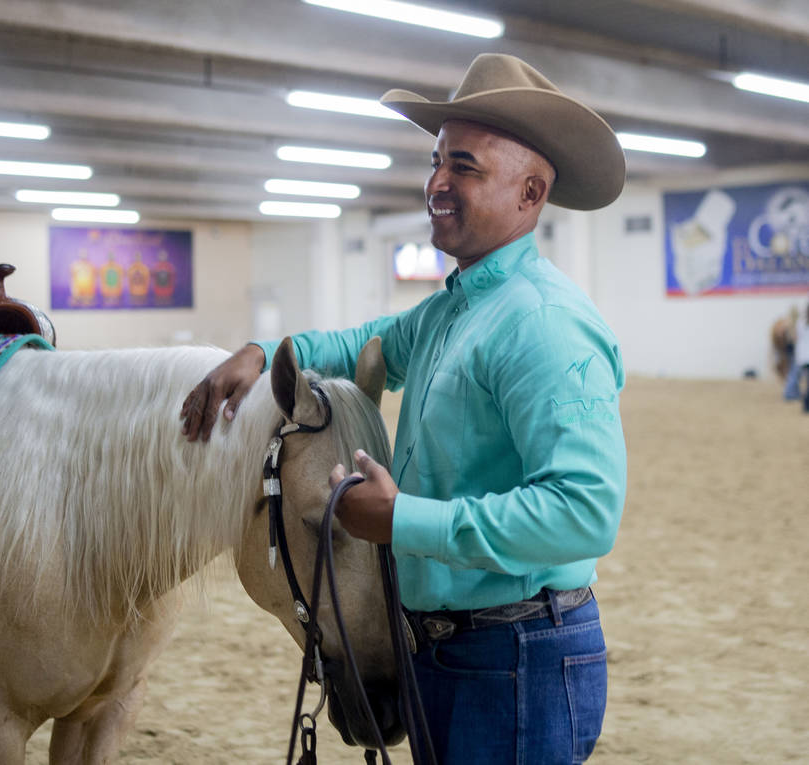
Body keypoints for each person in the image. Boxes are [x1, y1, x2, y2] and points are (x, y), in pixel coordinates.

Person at [180, 53, 627, 764]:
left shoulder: (543, 323)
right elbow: (361, 342)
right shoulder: (456, 308)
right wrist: (263, 352)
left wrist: (398, 520)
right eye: (437, 161)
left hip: (517, 654)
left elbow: (585, 510)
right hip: (456, 648)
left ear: (531, 191)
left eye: (466, 167)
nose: (438, 184)